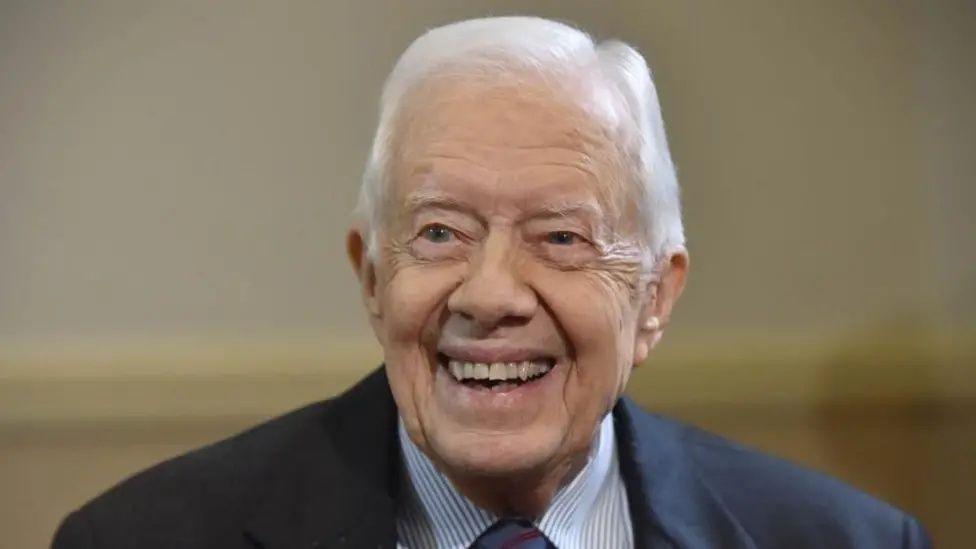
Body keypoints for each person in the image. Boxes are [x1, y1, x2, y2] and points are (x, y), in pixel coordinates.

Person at [53, 16, 930, 549]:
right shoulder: (141, 538)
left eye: (560, 237)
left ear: (655, 297)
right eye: (439, 232)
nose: (489, 294)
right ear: (369, 275)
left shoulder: (846, 541)